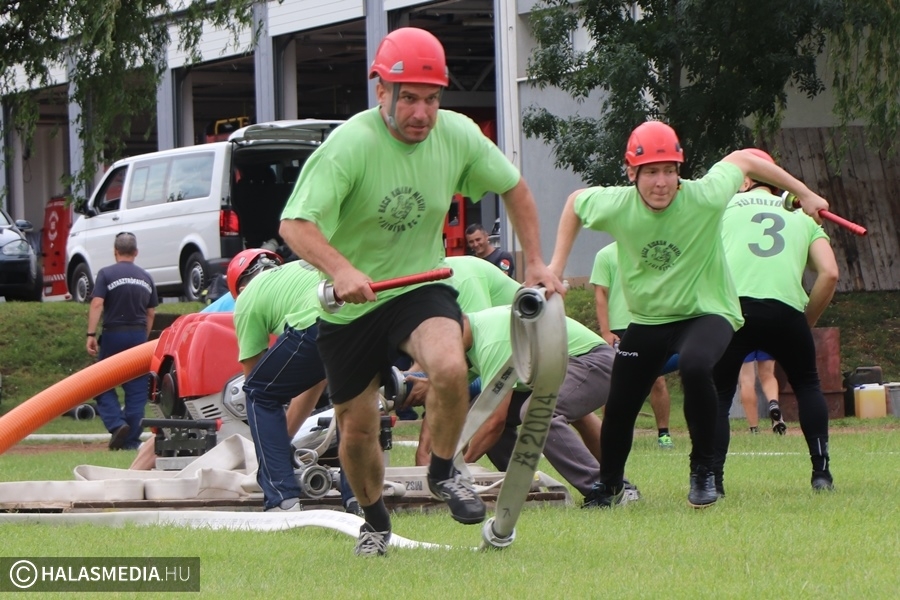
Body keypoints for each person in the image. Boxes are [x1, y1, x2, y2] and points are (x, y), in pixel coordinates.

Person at [278, 27, 564, 556]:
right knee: (358, 432)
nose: (421, 113)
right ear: (380, 91)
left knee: (451, 367)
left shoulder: (456, 135)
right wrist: (340, 269)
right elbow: (295, 225)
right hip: (351, 309)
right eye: (408, 98)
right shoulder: (350, 144)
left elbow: (516, 189)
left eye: (432, 99)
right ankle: (374, 522)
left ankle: (441, 471)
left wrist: (538, 263)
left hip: (419, 286)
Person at [548, 121, 829, 509]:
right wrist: (555, 266)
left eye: (669, 171)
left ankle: (703, 470)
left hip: (707, 312)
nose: (661, 182)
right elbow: (575, 202)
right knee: (621, 402)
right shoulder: (616, 204)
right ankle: (609, 485)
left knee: (697, 365)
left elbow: (746, 159)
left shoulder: (704, 196)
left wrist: (806, 194)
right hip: (648, 320)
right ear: (632, 173)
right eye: (650, 172)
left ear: (680, 172)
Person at [712, 149, 838, 494]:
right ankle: (821, 474)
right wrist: (803, 321)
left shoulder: (721, 207)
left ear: (746, 178)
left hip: (733, 309)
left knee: (719, 395)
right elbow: (829, 274)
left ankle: (713, 481)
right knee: (808, 385)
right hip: (785, 311)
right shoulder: (803, 214)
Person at [229, 249, 331, 512]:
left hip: (319, 318)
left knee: (257, 393)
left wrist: (275, 450)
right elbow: (315, 380)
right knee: (355, 399)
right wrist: (281, 442)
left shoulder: (247, 299)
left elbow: (258, 388)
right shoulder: (294, 272)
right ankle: (359, 500)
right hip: (362, 314)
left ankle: (281, 500)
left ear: (240, 287)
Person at [591, 242, 675, 449]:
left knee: (657, 380)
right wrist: (605, 331)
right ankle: (613, 433)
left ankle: (663, 433)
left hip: (648, 324)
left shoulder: (650, 252)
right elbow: (601, 293)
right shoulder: (605, 254)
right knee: (613, 383)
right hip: (619, 329)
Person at [86, 232, 158, 451]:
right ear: (135, 253)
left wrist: (90, 334)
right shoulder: (146, 277)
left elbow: (97, 304)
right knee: (136, 390)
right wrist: (143, 340)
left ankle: (117, 424)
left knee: (101, 382)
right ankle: (131, 441)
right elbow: (151, 313)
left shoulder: (106, 274)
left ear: (115, 252)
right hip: (137, 335)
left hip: (113, 334)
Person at [738, 351, 783, 434]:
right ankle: (773, 403)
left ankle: (754, 428)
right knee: (768, 374)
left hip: (743, 339)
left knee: (746, 379)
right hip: (766, 338)